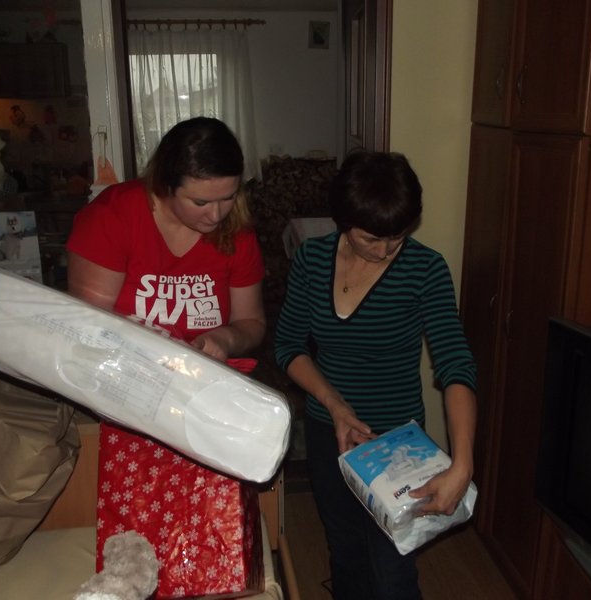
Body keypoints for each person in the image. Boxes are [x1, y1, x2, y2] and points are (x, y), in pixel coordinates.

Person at [274, 151, 477, 600]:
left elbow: (455, 364)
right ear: (344, 221)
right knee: (345, 551)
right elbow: (288, 347)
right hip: (330, 434)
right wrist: (336, 406)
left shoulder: (425, 269)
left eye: (397, 237)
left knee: (393, 571)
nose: (385, 251)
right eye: (372, 238)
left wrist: (462, 464)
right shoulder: (312, 260)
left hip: (397, 446)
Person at [66, 116, 266, 360]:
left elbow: (251, 322)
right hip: (121, 365)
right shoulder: (111, 216)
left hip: (202, 372)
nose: (216, 215)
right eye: (200, 202)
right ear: (165, 186)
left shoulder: (236, 227)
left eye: (228, 198)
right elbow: (90, 325)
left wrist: (226, 339)